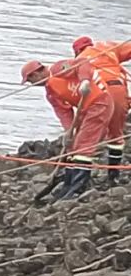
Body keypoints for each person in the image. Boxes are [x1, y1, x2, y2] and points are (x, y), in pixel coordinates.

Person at [22, 58, 115, 199]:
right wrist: (69, 132)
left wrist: (84, 81)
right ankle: (69, 183)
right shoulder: (51, 93)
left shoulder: (58, 68)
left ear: (35, 75)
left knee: (84, 146)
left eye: (30, 81)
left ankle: (79, 187)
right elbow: (64, 113)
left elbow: (83, 63)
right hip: (85, 110)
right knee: (74, 146)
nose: (32, 84)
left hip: (99, 102)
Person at [71, 36, 130, 174]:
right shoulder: (108, 47)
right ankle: (113, 175)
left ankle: (78, 177)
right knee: (116, 134)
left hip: (99, 93)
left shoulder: (78, 61)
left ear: (77, 51)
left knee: (86, 137)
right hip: (118, 88)